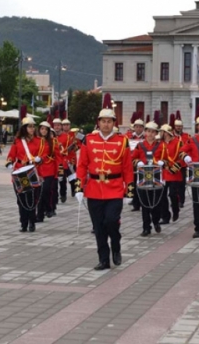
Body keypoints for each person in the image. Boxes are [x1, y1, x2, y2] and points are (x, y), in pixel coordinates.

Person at [76, 94, 134, 270]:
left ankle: (116, 246)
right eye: (103, 121)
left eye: (110, 121)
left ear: (114, 123)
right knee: (98, 227)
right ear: (98, 122)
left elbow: (127, 168)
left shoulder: (122, 141)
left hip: (115, 188)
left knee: (111, 221)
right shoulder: (89, 140)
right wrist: (79, 187)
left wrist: (129, 190)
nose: (106, 124)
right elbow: (82, 165)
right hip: (94, 189)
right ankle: (103, 259)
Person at [6, 117, 44, 232]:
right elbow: (11, 155)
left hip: (33, 172)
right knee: (21, 199)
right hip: (20, 173)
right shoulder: (17, 141)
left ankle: (32, 222)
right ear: (24, 128)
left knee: (32, 199)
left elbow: (43, 156)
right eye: (29, 126)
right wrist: (9, 163)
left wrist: (39, 159)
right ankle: (23, 223)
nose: (32, 129)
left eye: (33, 126)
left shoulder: (39, 141)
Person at [132, 120, 167, 236]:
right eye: (148, 131)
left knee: (156, 203)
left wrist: (163, 162)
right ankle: (146, 227)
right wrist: (138, 162)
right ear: (145, 132)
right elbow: (133, 158)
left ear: (156, 133)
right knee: (145, 204)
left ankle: (156, 221)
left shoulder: (161, 145)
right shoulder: (140, 145)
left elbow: (167, 159)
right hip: (143, 177)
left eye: (153, 132)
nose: (150, 134)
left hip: (157, 177)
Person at [159, 123, 184, 223]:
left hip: (174, 172)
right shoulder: (160, 143)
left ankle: (175, 210)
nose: (161, 134)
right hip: (164, 172)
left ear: (166, 133)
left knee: (173, 194)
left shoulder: (178, 143)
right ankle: (165, 216)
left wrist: (175, 168)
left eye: (163, 132)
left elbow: (182, 157)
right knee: (162, 195)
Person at [36, 121, 61, 222]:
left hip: (49, 170)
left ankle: (49, 207)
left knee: (46, 190)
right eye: (42, 129)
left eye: (45, 129)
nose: (43, 131)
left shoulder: (53, 141)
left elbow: (58, 157)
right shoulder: (35, 141)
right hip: (37, 170)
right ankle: (40, 215)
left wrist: (60, 171)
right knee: (39, 193)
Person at [126, 116, 145, 211]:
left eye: (140, 127)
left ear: (143, 128)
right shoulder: (129, 137)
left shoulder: (146, 137)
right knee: (133, 184)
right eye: (136, 126)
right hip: (132, 164)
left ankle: (142, 202)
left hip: (142, 165)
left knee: (141, 184)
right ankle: (135, 204)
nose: (138, 128)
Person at [172, 111, 190, 208]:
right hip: (173, 163)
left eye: (180, 126)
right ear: (174, 126)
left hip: (182, 164)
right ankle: (175, 201)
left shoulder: (187, 136)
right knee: (173, 185)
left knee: (181, 184)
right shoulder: (170, 136)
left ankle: (181, 201)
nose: (178, 128)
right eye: (177, 126)